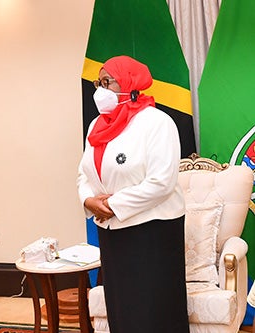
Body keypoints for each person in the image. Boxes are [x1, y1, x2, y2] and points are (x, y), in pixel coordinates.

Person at [77, 55, 189, 332]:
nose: (100, 90)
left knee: (152, 310)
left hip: (152, 233)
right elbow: (84, 172)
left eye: (107, 82)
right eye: (98, 82)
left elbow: (162, 182)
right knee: (122, 309)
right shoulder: (97, 125)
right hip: (112, 230)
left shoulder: (157, 122)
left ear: (130, 84)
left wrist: (114, 204)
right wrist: (88, 200)